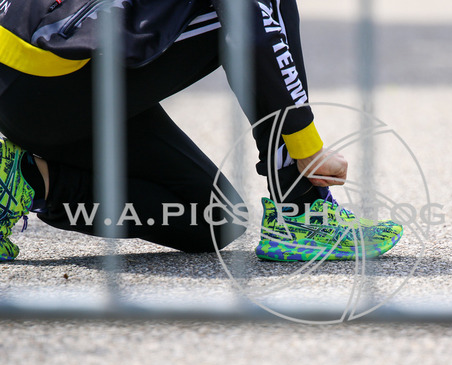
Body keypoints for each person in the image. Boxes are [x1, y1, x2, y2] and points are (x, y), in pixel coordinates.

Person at [0, 0, 402, 262]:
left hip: (30, 79)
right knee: (263, 10)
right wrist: (307, 148)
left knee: (215, 219)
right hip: (53, 80)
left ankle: (29, 178)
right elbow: (256, 35)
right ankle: (301, 210)